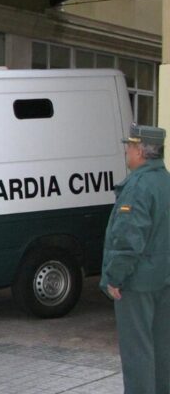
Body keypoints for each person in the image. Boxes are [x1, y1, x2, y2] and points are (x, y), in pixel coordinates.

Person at [100, 123, 170, 394]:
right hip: (163, 279)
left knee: (137, 351)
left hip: (137, 283)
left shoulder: (138, 186)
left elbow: (128, 239)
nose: (126, 152)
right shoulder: (165, 182)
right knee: (162, 349)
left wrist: (115, 277)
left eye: (129, 146)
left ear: (141, 151)